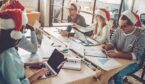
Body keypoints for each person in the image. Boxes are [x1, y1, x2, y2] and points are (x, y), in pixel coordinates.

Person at [0, 5, 48, 84]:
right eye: (23, 29)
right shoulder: (7, 56)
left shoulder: (9, 47)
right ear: (16, 33)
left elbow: (13, 65)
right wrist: (36, 75)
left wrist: (33, 64)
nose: (23, 31)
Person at [103, 10, 145, 84]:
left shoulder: (141, 35)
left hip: (135, 63)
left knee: (118, 75)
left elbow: (136, 55)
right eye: (120, 26)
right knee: (105, 71)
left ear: (133, 25)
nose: (121, 29)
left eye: (124, 26)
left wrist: (117, 54)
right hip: (119, 58)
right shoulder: (119, 29)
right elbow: (112, 42)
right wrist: (107, 46)